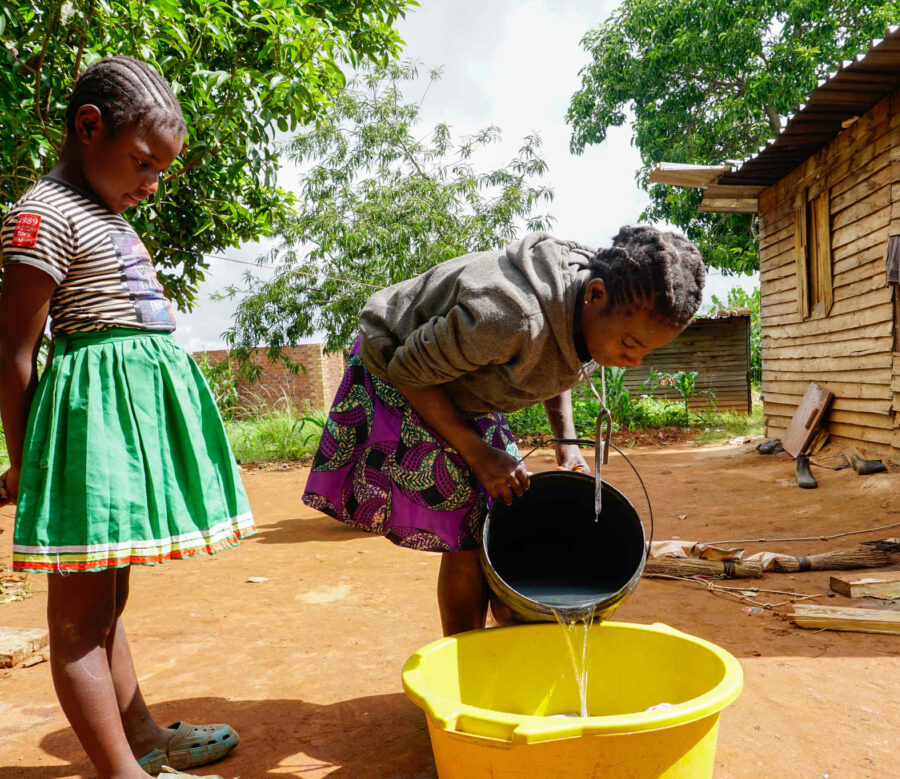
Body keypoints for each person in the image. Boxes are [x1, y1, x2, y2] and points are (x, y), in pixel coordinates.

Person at [0, 57, 252, 779]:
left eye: (160, 172)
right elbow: (13, 350)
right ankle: (123, 772)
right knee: (76, 621)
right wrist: (29, 464)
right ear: (89, 128)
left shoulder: (99, 211)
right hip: (85, 430)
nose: (150, 183)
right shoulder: (42, 212)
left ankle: (141, 734)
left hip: (119, 435)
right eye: (143, 163)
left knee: (108, 598)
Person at [302, 226, 705, 635]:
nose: (634, 361)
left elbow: (564, 355)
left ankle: (506, 642)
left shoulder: (596, 307)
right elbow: (407, 369)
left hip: (464, 381)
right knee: (467, 529)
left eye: (646, 351)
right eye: (629, 344)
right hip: (398, 373)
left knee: (505, 506)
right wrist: (477, 454)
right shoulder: (508, 317)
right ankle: (467, 670)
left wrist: (567, 445)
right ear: (595, 295)